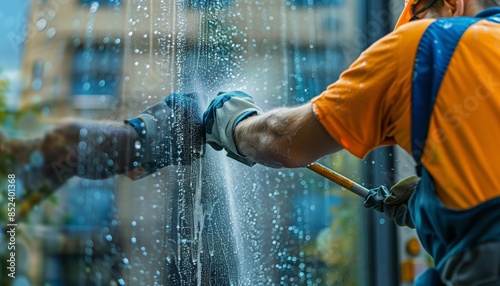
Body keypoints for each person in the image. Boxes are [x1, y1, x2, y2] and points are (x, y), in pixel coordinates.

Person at [202, 0, 500, 285]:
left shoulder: (428, 44)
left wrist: (232, 122)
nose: (416, 25)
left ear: (452, 3)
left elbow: (283, 139)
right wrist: (435, 197)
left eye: (419, 13)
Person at [1, 93, 202, 217]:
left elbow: (57, 171)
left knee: (214, 122)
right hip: (160, 144)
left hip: (169, 125)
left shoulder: (58, 139)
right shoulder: (51, 160)